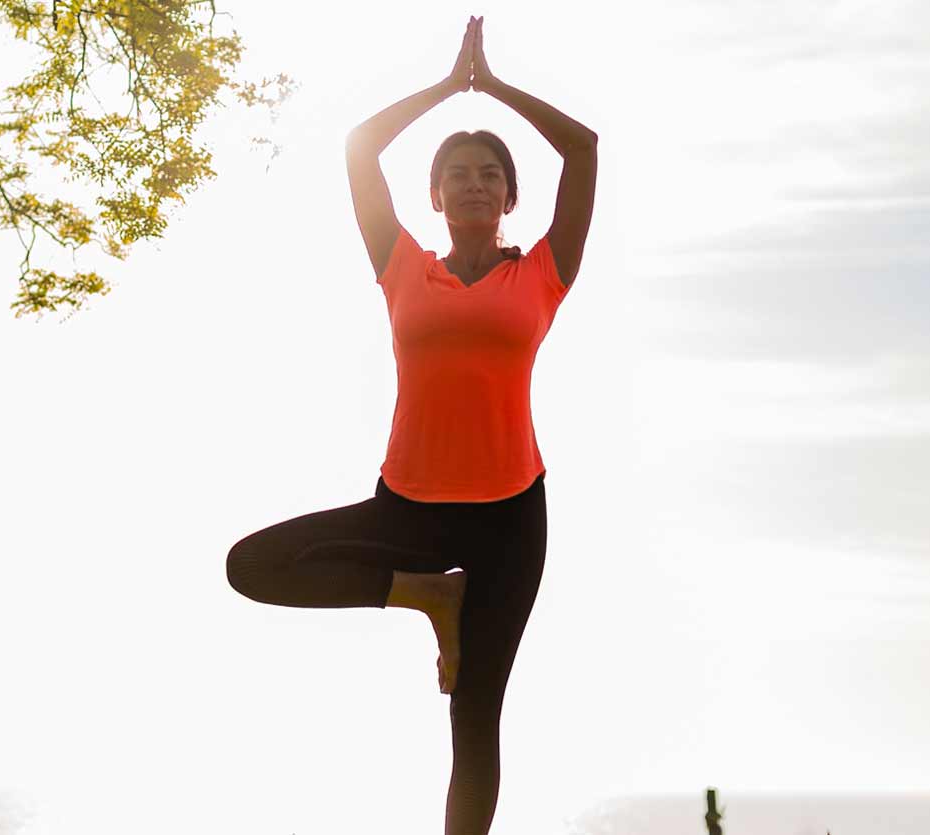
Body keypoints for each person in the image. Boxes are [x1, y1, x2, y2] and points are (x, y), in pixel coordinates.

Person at [223, 15, 597, 835]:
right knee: (253, 565)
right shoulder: (402, 266)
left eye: (489, 173)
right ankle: (427, 594)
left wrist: (493, 87)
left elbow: (585, 149)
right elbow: (360, 145)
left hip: (510, 518)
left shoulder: (543, 273)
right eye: (456, 173)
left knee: (475, 723)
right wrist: (444, 88)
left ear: (509, 193)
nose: (473, 182)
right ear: (435, 195)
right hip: (409, 510)